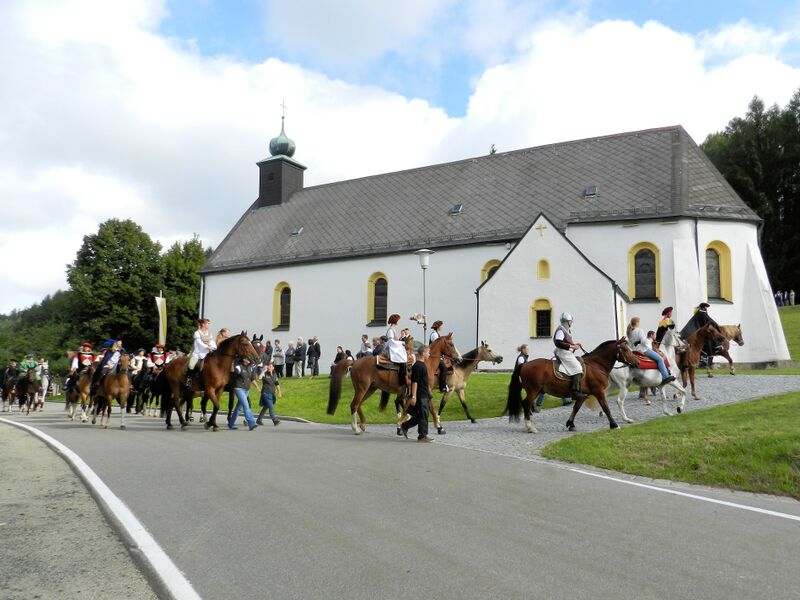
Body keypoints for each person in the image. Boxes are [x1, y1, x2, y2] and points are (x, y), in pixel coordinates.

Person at [399, 345, 433, 442]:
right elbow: (415, 382)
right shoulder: (418, 366)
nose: (429, 354)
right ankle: (422, 436)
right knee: (423, 415)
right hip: (420, 395)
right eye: (428, 352)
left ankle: (405, 426)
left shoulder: (422, 365)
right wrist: (413, 396)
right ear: (423, 353)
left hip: (424, 394)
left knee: (422, 415)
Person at [627, 317, 674, 385]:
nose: (639, 323)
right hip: (643, 350)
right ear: (637, 323)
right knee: (660, 359)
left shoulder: (630, 332)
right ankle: (666, 376)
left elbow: (631, 344)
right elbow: (644, 342)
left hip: (635, 350)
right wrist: (648, 340)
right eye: (639, 322)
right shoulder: (639, 330)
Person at [553, 312, 587, 401]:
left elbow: (565, 342)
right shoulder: (561, 330)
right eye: (571, 321)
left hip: (565, 351)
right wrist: (572, 346)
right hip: (563, 353)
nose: (571, 323)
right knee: (578, 368)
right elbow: (558, 342)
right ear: (567, 321)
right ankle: (575, 392)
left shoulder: (564, 329)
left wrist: (575, 345)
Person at [228, 355, 258, 430]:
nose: (249, 360)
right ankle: (251, 423)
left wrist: (257, 387)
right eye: (248, 359)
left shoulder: (249, 368)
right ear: (244, 359)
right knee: (246, 406)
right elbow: (233, 372)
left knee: (238, 408)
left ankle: (231, 424)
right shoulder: (238, 367)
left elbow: (252, 379)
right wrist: (232, 365)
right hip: (239, 389)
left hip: (246, 390)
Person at [187, 318, 216, 386]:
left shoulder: (209, 333)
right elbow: (199, 342)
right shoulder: (197, 333)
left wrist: (214, 347)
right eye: (207, 323)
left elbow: (212, 342)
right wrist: (208, 347)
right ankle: (189, 380)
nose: (209, 325)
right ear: (203, 324)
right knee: (191, 365)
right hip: (198, 354)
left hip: (207, 354)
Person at [385, 314, 409, 388]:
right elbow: (391, 341)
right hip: (392, 349)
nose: (398, 321)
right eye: (398, 320)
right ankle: (402, 382)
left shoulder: (393, 329)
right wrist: (401, 342)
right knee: (402, 362)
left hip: (395, 348)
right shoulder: (390, 330)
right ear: (395, 321)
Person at [256, 362, 281, 426]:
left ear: (273, 367)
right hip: (265, 393)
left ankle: (259, 420)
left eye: (270, 366)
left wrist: (279, 392)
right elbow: (259, 378)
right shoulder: (265, 374)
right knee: (271, 407)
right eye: (268, 366)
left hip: (272, 394)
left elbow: (277, 384)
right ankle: (274, 420)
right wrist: (263, 371)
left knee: (266, 407)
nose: (269, 367)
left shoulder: (275, 375)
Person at [429, 320, 450, 392]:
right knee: (444, 368)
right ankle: (442, 386)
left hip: (436, 356)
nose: (442, 327)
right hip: (433, 356)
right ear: (438, 326)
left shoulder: (436, 334)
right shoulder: (434, 334)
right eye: (441, 326)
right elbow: (437, 347)